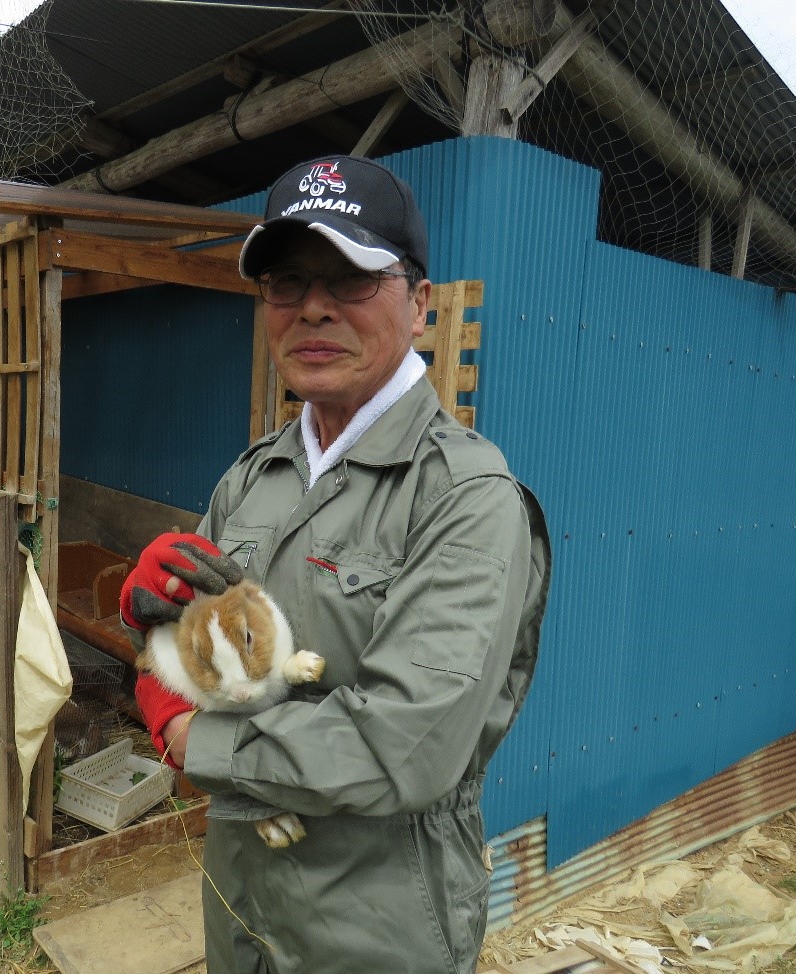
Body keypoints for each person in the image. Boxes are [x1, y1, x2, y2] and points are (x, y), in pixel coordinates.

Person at [120, 154, 550, 974]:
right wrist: (146, 617)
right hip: (241, 899)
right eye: (286, 281)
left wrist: (186, 735)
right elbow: (181, 648)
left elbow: (402, 746)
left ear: (419, 304)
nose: (312, 306)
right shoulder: (253, 475)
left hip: (373, 929)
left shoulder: (467, 496)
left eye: (350, 278)